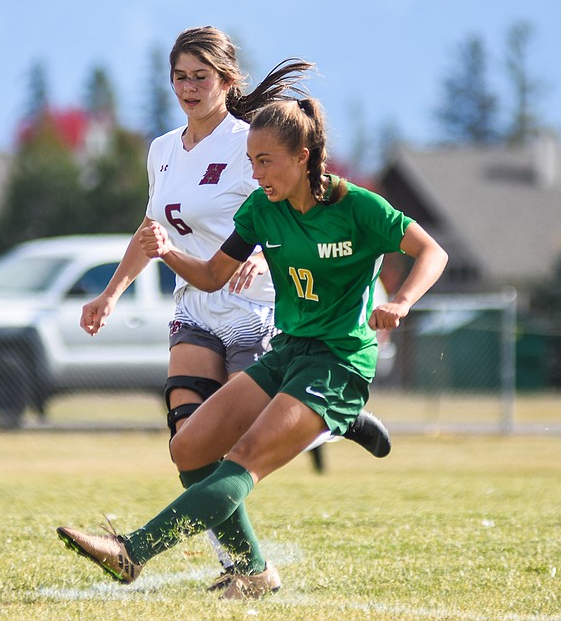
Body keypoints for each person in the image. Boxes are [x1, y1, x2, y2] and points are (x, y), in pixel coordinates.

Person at [58, 95, 448, 599]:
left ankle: (132, 552)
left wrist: (401, 301)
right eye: (251, 162)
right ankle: (255, 571)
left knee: (242, 459)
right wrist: (168, 251)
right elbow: (212, 275)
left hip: (338, 365)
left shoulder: (357, 207)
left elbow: (431, 251)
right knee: (190, 447)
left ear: (303, 155)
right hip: (288, 353)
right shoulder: (263, 209)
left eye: (265, 161)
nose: (257, 172)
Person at [77, 27, 390, 579]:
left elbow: (291, 213)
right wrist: (110, 292)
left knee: (243, 444)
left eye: (202, 76)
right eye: (180, 77)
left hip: (258, 306)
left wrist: (264, 261)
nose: (190, 87)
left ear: (226, 81)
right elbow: (152, 231)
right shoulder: (163, 150)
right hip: (196, 301)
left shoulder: (253, 142)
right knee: (189, 442)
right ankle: (248, 568)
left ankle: (329, 418)